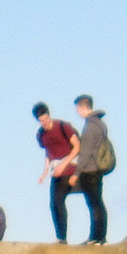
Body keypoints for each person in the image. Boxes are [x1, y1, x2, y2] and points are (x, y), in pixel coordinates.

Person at [32, 101, 79, 243]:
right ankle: (61, 238)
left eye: (46, 119)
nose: (45, 123)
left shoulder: (63, 126)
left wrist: (64, 164)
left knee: (59, 200)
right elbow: (48, 152)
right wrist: (45, 172)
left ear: (49, 115)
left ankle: (94, 237)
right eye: (41, 121)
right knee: (54, 204)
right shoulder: (41, 134)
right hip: (56, 169)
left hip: (71, 166)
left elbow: (77, 146)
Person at [70, 95, 110, 245]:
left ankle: (96, 237)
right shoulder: (101, 124)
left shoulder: (89, 127)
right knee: (98, 203)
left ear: (83, 107)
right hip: (99, 169)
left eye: (77, 109)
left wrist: (76, 173)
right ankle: (100, 237)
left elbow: (85, 153)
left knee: (94, 204)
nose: (77, 112)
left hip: (89, 170)